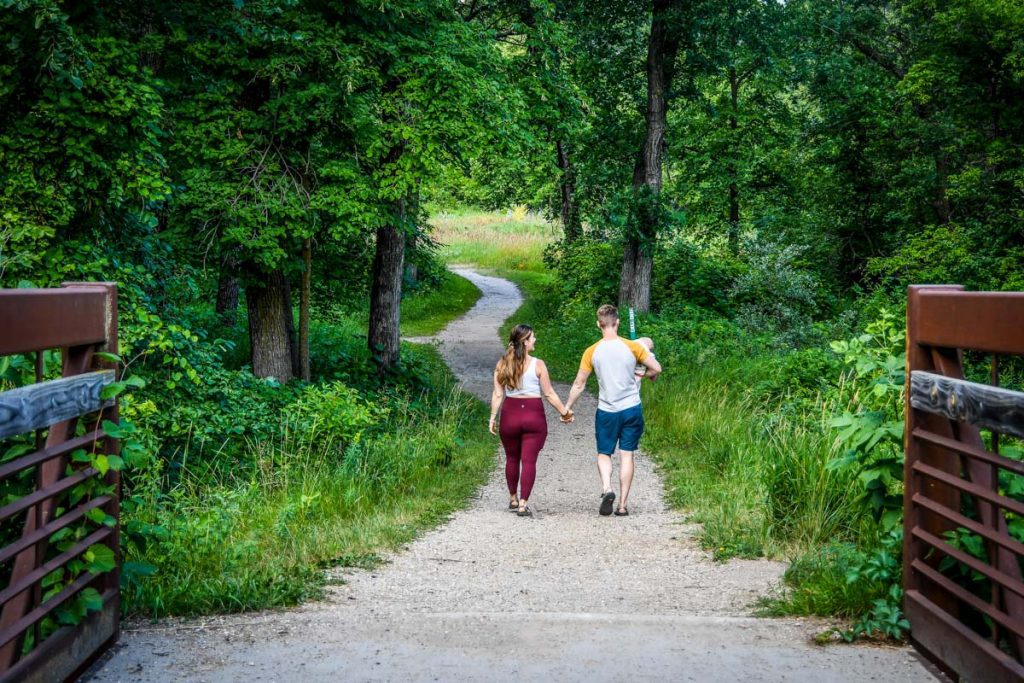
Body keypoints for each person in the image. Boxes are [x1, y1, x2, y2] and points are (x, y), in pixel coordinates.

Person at [564, 305, 661, 516]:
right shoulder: (632, 347)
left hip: (607, 410)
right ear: (617, 322)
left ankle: (607, 488)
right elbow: (656, 369)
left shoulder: (592, 351)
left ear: (598, 324)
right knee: (627, 455)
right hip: (631, 408)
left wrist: (567, 407)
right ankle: (623, 506)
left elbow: (579, 384)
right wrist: (640, 375)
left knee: (604, 453)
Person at [490, 324, 574, 517]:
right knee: (529, 461)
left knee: (511, 458)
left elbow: (497, 394)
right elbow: (549, 393)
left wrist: (492, 418)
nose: (535, 340)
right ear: (525, 342)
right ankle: (523, 504)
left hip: (510, 414)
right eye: (532, 337)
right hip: (533, 416)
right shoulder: (538, 364)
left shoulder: (502, 364)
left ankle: (512, 498)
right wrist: (565, 413)